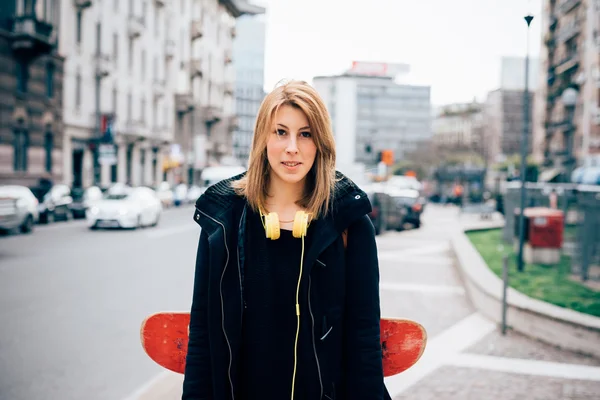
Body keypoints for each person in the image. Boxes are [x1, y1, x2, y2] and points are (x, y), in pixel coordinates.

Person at [182, 80, 390, 400]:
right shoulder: (222, 218)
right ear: (262, 139)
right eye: (280, 132)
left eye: (305, 134)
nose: (292, 147)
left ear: (320, 143)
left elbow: (364, 340)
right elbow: (202, 337)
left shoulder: (349, 221)